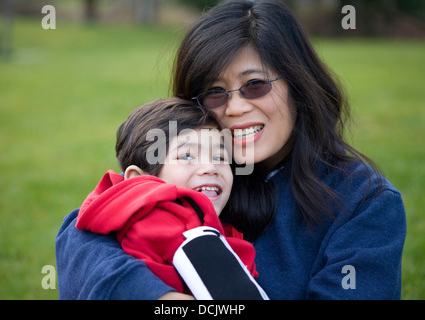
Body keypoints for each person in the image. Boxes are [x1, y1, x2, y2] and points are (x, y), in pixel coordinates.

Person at [56, 0, 406, 300]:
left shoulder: (365, 203)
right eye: (215, 92)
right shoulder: (189, 178)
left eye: (255, 85)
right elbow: (80, 237)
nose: (235, 108)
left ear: (298, 84)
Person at [73, 98, 269, 299]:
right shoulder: (174, 225)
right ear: (139, 182)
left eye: (220, 157)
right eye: (186, 156)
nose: (210, 168)